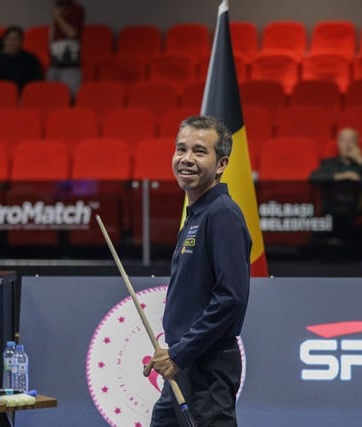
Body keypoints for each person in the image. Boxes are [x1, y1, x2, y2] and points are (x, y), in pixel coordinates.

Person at [144, 116, 251, 426]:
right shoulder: (197, 214)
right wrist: (178, 354)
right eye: (181, 149)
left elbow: (231, 299)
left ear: (221, 164)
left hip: (206, 366)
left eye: (199, 151)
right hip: (184, 362)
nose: (186, 158)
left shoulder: (222, 214)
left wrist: (180, 354)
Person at [309, 127, 362, 256]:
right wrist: (341, 176)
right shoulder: (330, 163)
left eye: (351, 141)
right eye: (343, 140)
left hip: (358, 209)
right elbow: (313, 177)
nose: (347, 145)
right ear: (338, 144)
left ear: (357, 144)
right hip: (333, 209)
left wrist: (360, 160)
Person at [0, 26, 43, 90]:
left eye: (15, 39)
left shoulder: (31, 60)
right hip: (2, 92)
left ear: (21, 41)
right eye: (9, 39)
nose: (12, 42)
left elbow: (37, 83)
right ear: (4, 41)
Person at [47, 0, 84, 97]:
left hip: (69, 63)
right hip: (54, 61)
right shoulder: (57, 6)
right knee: (51, 95)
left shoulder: (75, 8)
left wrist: (59, 17)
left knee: (69, 96)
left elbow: (72, 33)